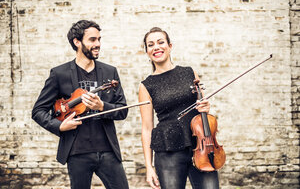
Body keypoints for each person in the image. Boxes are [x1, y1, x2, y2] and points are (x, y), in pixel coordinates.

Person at [32, 20, 129, 189]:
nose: (97, 44)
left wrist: (102, 106)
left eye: (99, 39)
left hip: (108, 150)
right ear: (77, 42)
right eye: (92, 40)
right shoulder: (59, 74)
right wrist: (60, 126)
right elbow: (38, 111)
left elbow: (122, 111)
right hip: (77, 152)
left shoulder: (109, 72)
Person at [139, 27, 220, 189]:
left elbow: (203, 108)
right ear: (147, 51)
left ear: (170, 46)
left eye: (161, 42)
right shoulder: (146, 86)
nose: (156, 47)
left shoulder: (189, 73)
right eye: (151, 44)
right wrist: (149, 167)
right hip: (167, 150)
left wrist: (206, 107)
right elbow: (147, 128)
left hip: (200, 147)